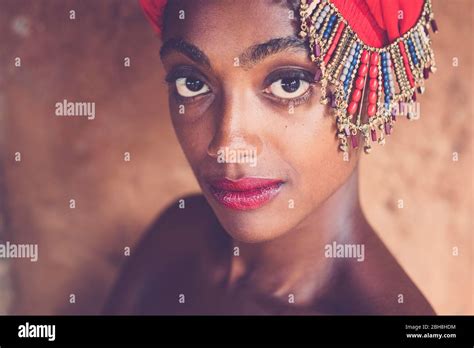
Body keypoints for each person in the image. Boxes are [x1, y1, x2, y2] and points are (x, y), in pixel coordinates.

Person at [104, 0, 437, 315]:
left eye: (289, 84)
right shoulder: (178, 235)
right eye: (192, 83)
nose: (227, 144)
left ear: (373, 91)